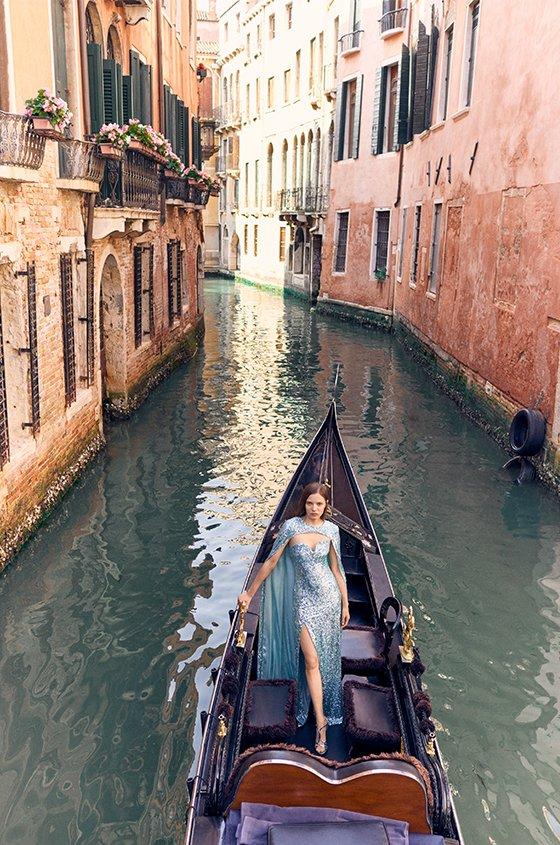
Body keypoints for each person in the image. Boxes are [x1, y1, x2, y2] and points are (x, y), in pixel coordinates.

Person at [237, 482, 350, 755]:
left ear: (326, 506)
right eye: (310, 503)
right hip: (303, 603)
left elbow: (336, 570)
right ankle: (320, 723)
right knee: (312, 660)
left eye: (319, 504)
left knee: (324, 658)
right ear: (304, 503)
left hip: (329, 601)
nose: (314, 509)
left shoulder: (332, 530)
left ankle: (321, 711)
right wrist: (249, 594)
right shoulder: (291, 527)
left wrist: (345, 604)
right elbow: (272, 562)